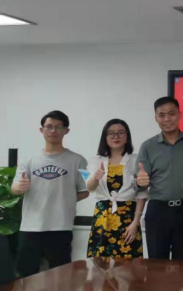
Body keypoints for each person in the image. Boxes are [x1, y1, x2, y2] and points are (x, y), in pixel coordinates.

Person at [11, 111, 88, 277]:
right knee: (25, 276)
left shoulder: (78, 160)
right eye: (49, 126)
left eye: (59, 127)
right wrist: (20, 187)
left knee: (61, 277)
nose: (53, 130)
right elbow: (14, 188)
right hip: (30, 226)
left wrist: (64, 199)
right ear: (41, 130)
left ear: (66, 131)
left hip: (61, 227)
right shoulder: (28, 159)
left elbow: (85, 191)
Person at [135, 97, 183, 260]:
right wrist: (139, 182)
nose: (167, 119)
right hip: (158, 210)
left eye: (171, 114)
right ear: (156, 118)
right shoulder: (148, 146)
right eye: (162, 115)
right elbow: (139, 181)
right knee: (157, 262)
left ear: (180, 115)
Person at [85, 119, 146, 259]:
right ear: (105, 137)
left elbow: (142, 193)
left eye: (121, 132)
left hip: (128, 217)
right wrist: (96, 177)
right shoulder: (95, 160)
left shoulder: (136, 160)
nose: (116, 136)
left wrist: (136, 222)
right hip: (102, 216)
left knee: (129, 263)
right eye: (111, 133)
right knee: (99, 262)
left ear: (127, 136)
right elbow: (90, 187)